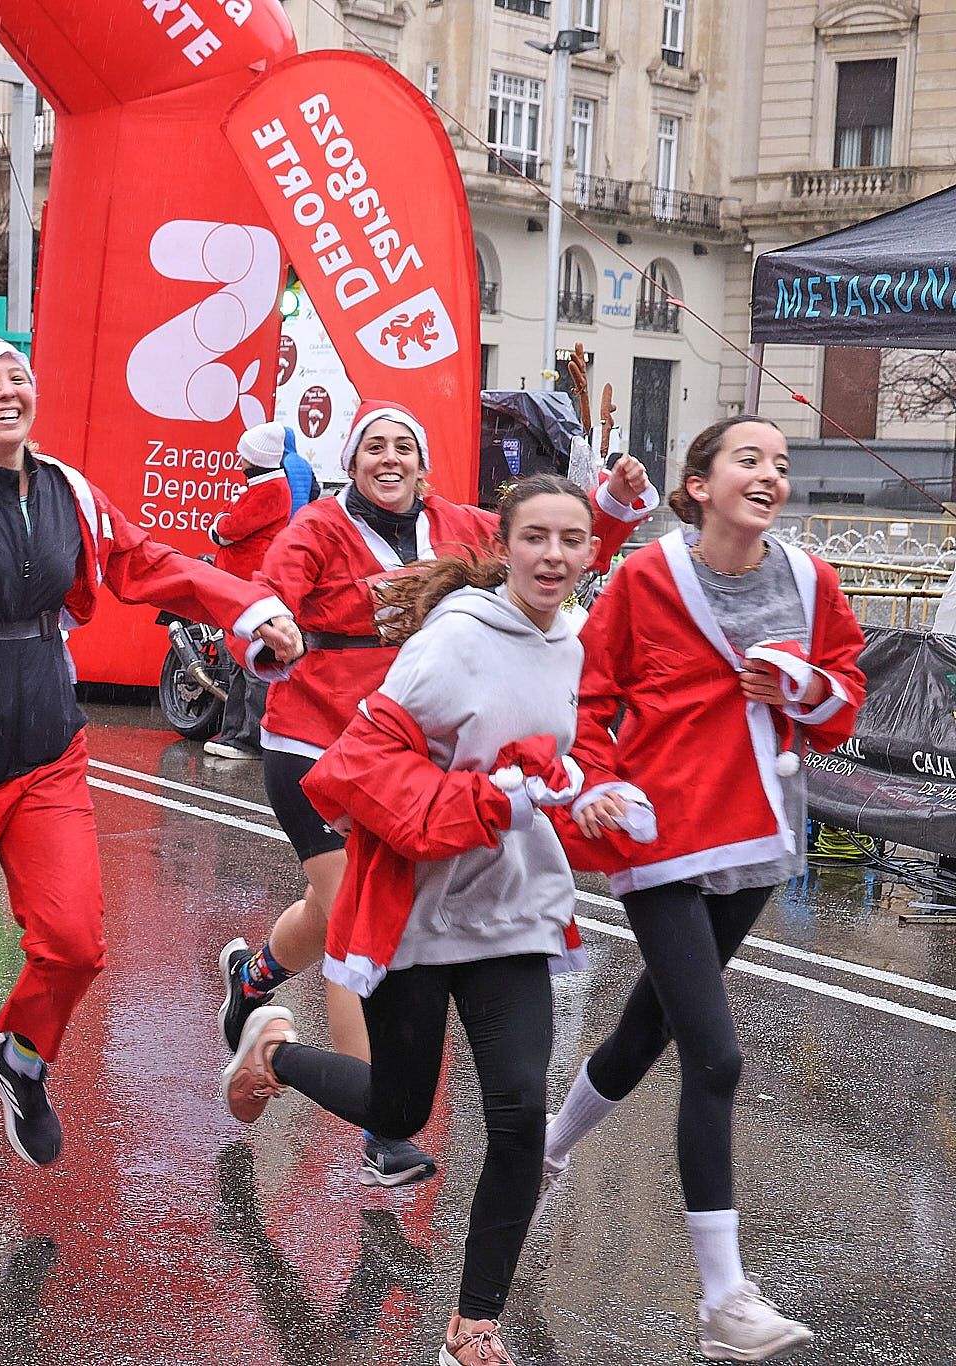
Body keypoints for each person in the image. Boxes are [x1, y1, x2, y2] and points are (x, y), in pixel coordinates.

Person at [0, 332, 303, 1187]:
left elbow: (150, 565)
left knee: (76, 940)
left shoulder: (71, 493)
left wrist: (249, 610)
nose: (8, 390)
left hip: (47, 742)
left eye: (20, 374)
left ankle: (20, 1054)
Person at [216, 400, 655, 1189]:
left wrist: (614, 509)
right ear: (350, 465)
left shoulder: (458, 522)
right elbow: (262, 596)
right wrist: (266, 630)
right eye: (374, 447)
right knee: (359, 916)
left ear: (423, 464)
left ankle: (254, 981)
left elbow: (552, 550)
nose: (391, 458)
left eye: (405, 446)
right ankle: (384, 1125)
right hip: (319, 745)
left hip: (417, 758)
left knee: (332, 910)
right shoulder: (316, 528)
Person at [225, 474, 608, 1366]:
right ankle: (273, 1053)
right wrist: (484, 797)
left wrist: (592, 785)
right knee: (400, 1106)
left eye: (572, 541)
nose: (554, 557)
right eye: (536, 539)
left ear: (592, 552)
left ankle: (474, 1323)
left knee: (517, 1116)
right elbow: (356, 764)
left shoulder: (584, 644)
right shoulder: (453, 644)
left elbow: (588, 746)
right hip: (421, 910)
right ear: (504, 546)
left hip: (513, 910)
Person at [538, 416, 864, 1363]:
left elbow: (846, 696)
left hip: (757, 834)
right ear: (698, 483)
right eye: (749, 460)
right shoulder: (646, 579)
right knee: (714, 1057)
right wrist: (596, 782)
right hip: (661, 835)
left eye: (782, 465)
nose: (770, 476)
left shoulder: (809, 579)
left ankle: (546, 1151)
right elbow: (590, 699)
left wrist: (804, 687)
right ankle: (724, 1300)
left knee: (650, 1029)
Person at [204, 421, 298, 761]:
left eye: (244, 453)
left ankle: (248, 736)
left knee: (248, 662)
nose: (239, 459)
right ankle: (235, 732)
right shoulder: (264, 486)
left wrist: (217, 526)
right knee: (239, 659)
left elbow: (230, 529)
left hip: (248, 582)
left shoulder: (270, 490)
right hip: (240, 582)